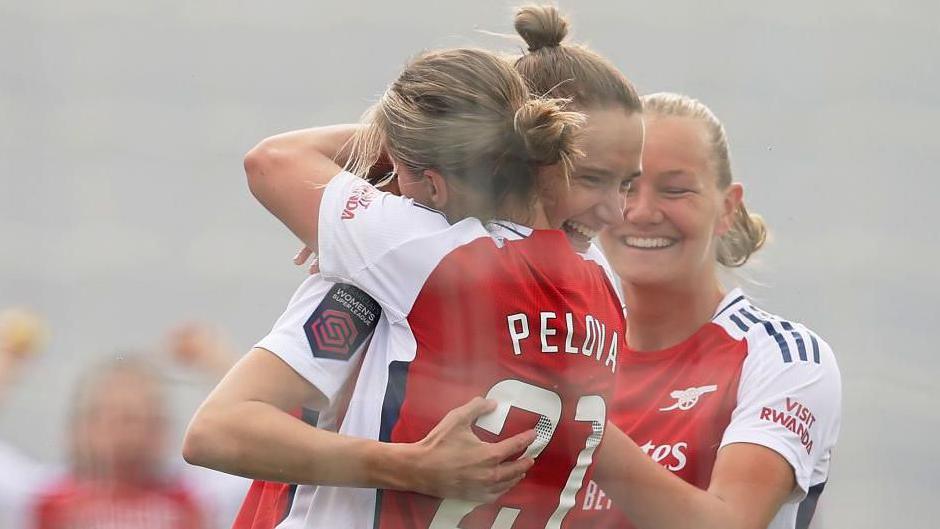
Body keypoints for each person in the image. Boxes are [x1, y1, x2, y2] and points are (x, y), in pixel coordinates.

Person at [183, 43, 641, 529]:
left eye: (625, 184)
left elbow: (218, 430)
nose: (615, 213)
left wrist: (410, 466)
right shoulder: (608, 290)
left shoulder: (409, 257)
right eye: (593, 178)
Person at [578, 93, 841, 529]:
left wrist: (573, 418)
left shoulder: (784, 359)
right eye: (625, 186)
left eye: (676, 190)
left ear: (727, 208)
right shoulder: (565, 345)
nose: (641, 213)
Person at [0, 319, 251, 529]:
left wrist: (217, 361)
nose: (128, 433)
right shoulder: (42, 498)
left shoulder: (198, 498)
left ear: (163, 429)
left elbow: (256, 451)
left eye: (141, 418)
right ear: (80, 427)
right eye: (113, 417)